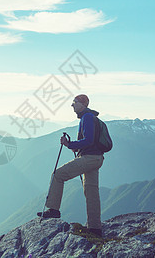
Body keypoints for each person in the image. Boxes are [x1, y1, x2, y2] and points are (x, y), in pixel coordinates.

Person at [37, 94, 104, 237]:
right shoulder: (92, 117)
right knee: (91, 192)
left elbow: (89, 140)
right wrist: (75, 147)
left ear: (83, 104)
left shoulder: (86, 117)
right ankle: (95, 228)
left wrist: (69, 144)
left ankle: (53, 210)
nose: (72, 105)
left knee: (58, 175)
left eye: (75, 102)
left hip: (89, 158)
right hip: (97, 158)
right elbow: (90, 142)